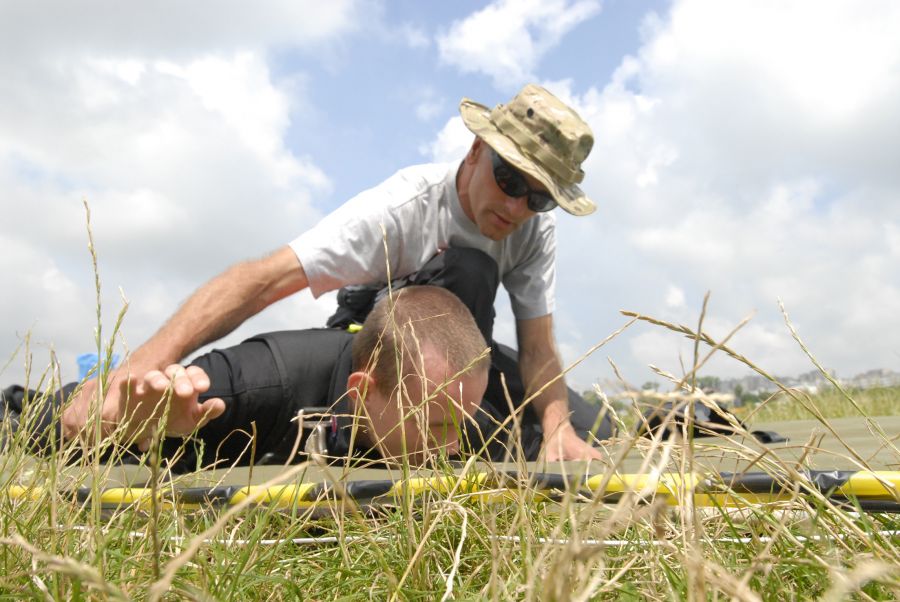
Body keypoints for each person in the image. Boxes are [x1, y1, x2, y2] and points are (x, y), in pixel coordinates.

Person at [61, 83, 611, 461]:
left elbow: (539, 346)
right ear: (474, 152)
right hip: (380, 346)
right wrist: (130, 374)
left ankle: (457, 426)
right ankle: (397, 428)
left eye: (539, 197)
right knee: (467, 269)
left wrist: (557, 428)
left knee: (595, 429)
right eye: (509, 179)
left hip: (468, 361)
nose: (516, 207)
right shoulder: (401, 208)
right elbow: (264, 279)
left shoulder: (533, 231)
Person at [4, 286, 503, 466]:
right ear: (362, 391)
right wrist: (134, 429)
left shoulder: (467, 422)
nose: (453, 448)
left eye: (462, 423)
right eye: (435, 425)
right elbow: (46, 419)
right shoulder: (252, 384)